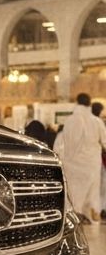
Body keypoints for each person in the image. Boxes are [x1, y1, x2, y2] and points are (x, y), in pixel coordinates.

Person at [54, 92, 106, 224]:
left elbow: (63, 143)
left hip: (72, 163)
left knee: (75, 191)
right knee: (92, 191)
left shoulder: (70, 121)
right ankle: (93, 212)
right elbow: (105, 142)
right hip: (92, 163)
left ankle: (76, 214)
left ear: (77, 103)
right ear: (89, 103)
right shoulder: (97, 121)